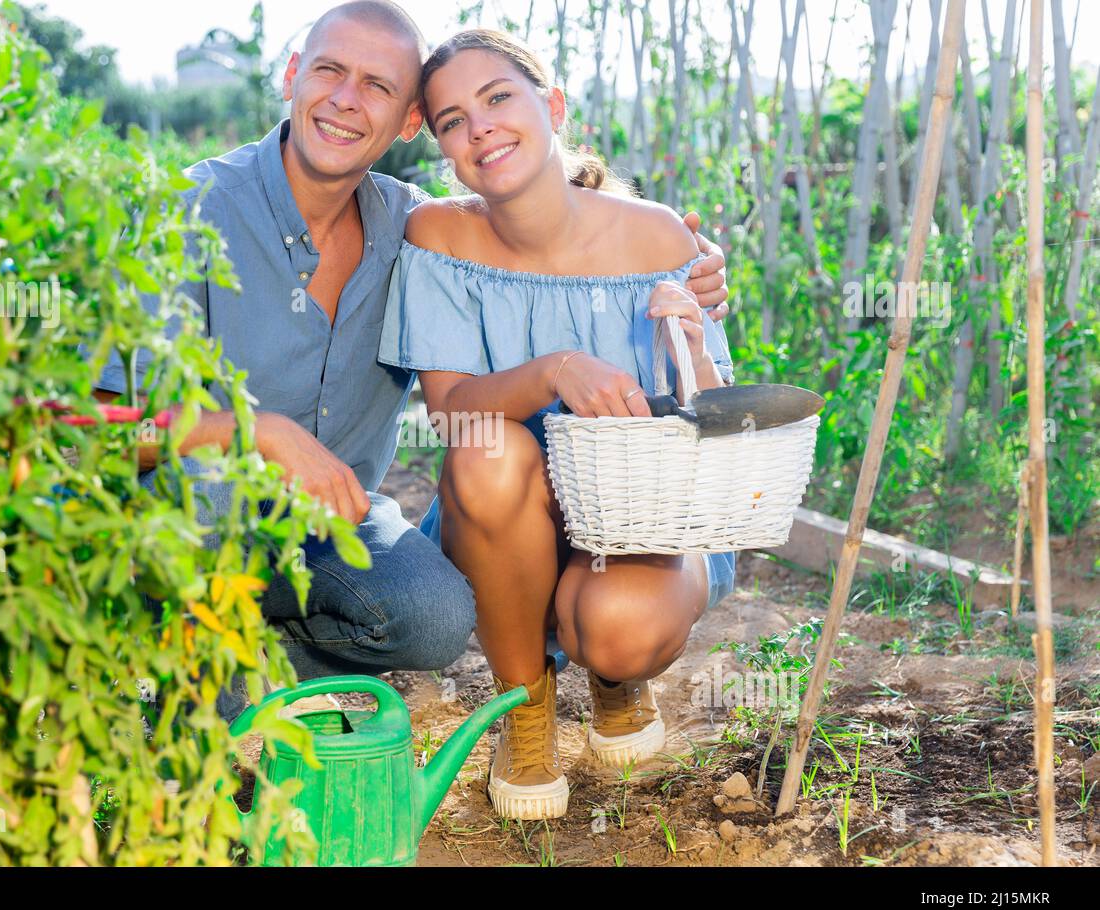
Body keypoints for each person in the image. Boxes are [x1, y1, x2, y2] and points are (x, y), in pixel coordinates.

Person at [93, 2, 733, 722]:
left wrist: (694, 277)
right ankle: (161, 671)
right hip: (194, 525)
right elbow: (95, 433)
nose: (344, 99)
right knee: (217, 500)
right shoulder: (189, 211)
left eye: (377, 85)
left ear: (403, 123)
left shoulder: (413, 227)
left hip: (347, 534)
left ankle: (244, 674)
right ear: (293, 77)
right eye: (329, 70)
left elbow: (533, 230)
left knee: (433, 615)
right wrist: (258, 432)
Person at [379, 28, 738, 820]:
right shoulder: (441, 235)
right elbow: (449, 411)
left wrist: (691, 315)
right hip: (506, 523)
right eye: (451, 120)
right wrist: (553, 369)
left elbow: (713, 408)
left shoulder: (660, 236)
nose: (480, 129)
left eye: (499, 98)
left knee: (615, 628)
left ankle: (618, 682)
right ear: (440, 144)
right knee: (485, 452)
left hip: (642, 521)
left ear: (552, 106)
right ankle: (525, 713)